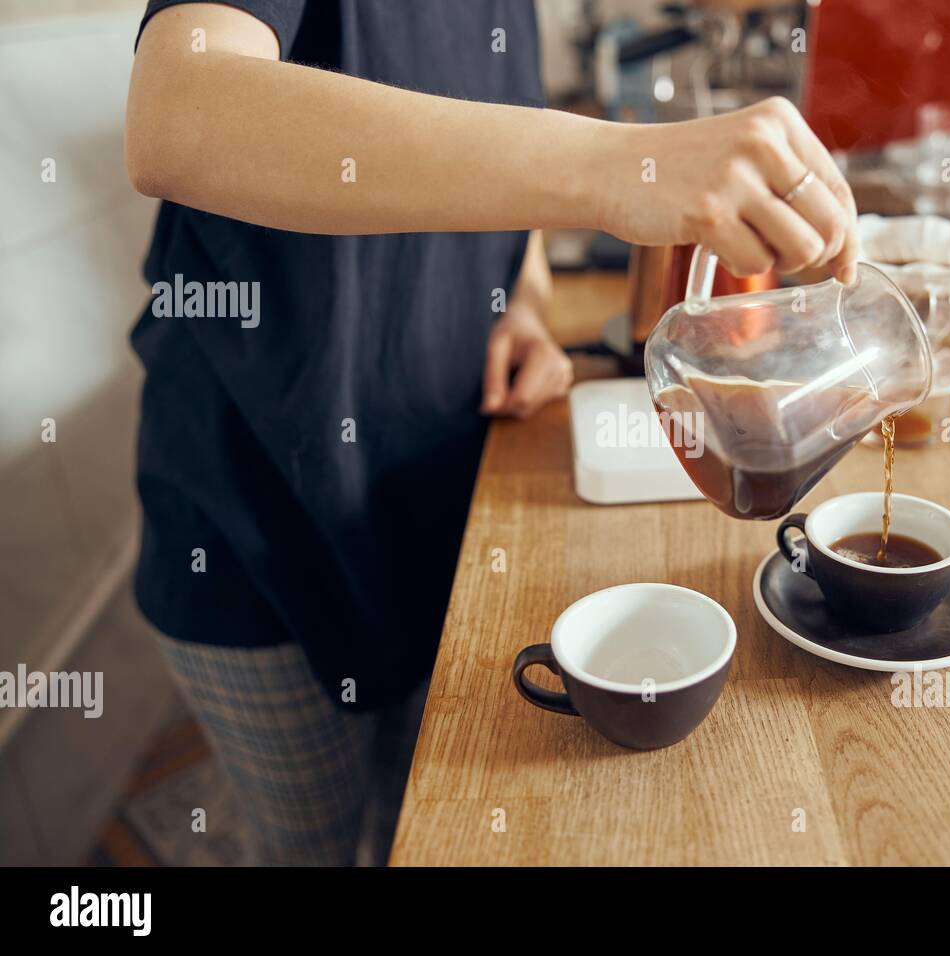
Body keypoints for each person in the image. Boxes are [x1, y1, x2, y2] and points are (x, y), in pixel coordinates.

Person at [125, 0, 859, 865]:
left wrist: (527, 305)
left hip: (440, 487)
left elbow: (499, 202)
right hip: (257, 510)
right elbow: (177, 114)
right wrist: (620, 164)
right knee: (304, 844)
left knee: (415, 816)